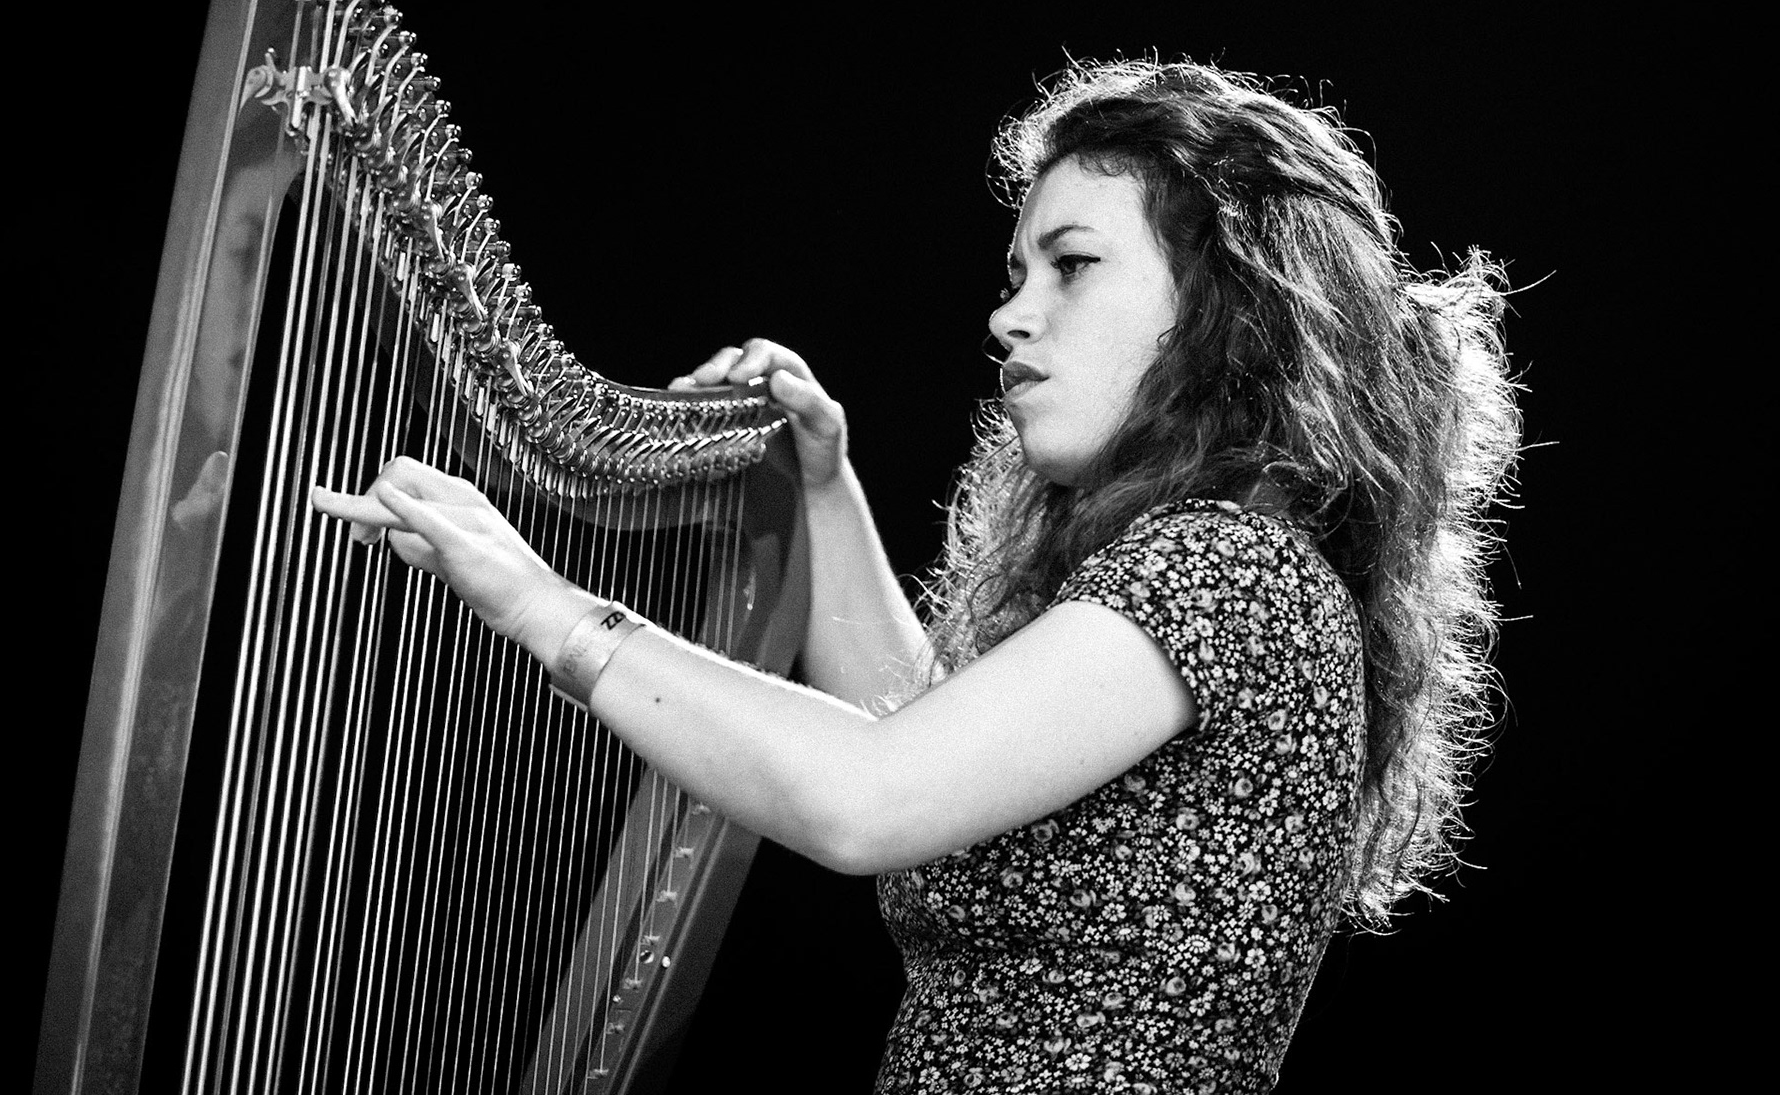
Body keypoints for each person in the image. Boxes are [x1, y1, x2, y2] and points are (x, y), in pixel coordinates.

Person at [311, 58, 1520, 1093]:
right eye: (1014, 274)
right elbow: (926, 742)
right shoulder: (1226, 566)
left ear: (1225, 303)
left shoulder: (1226, 568)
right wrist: (824, 488)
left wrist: (543, 603)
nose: (1011, 314)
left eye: (1072, 264)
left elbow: (870, 796)